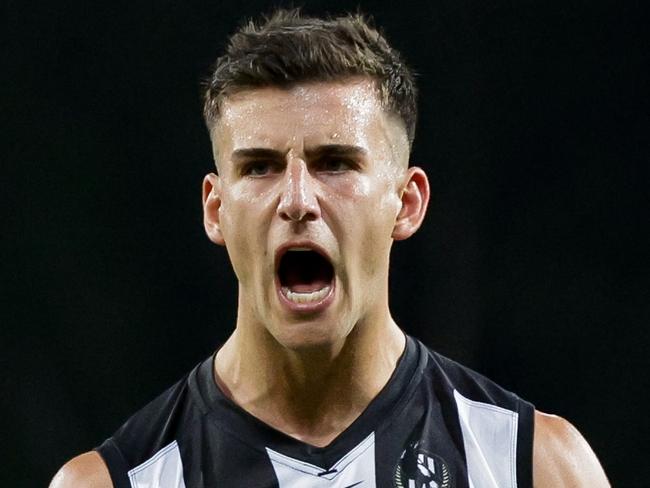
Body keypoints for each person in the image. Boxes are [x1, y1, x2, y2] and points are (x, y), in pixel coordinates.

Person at [51, 9, 609, 488]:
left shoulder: (535, 467)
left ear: (407, 202)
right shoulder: (114, 481)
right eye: (259, 167)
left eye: (336, 163)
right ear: (216, 209)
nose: (297, 199)